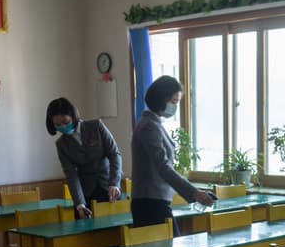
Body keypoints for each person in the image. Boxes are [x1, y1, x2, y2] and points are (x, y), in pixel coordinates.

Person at [130, 75, 215, 230]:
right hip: (149, 202)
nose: (175, 107)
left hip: (155, 200)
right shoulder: (149, 126)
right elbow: (163, 166)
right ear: (161, 99)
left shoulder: (153, 123)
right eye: (174, 102)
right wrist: (194, 192)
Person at [46, 97, 122, 219]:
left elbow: (114, 154)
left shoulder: (96, 126)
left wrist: (114, 183)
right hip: (85, 192)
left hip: (109, 187)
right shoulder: (61, 144)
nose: (63, 126)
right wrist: (80, 204)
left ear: (72, 116)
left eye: (65, 122)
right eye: (58, 125)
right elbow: (71, 175)